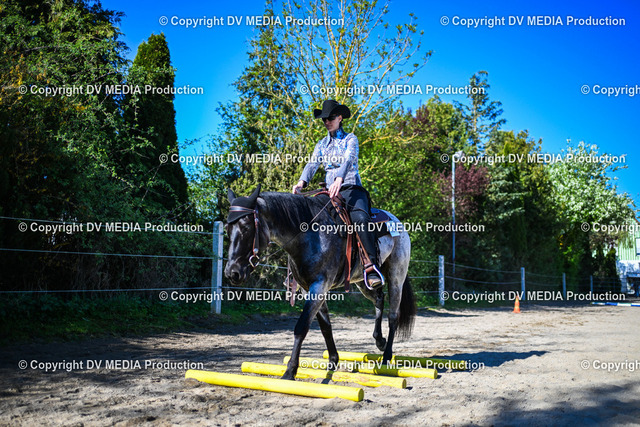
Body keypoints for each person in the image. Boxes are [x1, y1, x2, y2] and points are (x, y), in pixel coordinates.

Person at [292, 100, 384, 289]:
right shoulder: (321, 144)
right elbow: (312, 164)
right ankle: (301, 269)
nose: (327, 122)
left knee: (361, 219)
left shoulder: (351, 139)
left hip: (351, 189)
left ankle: (371, 266)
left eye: (331, 118)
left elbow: (349, 160)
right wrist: (302, 182)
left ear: (340, 118)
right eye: (324, 119)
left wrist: (339, 179)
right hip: (328, 191)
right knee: (308, 215)